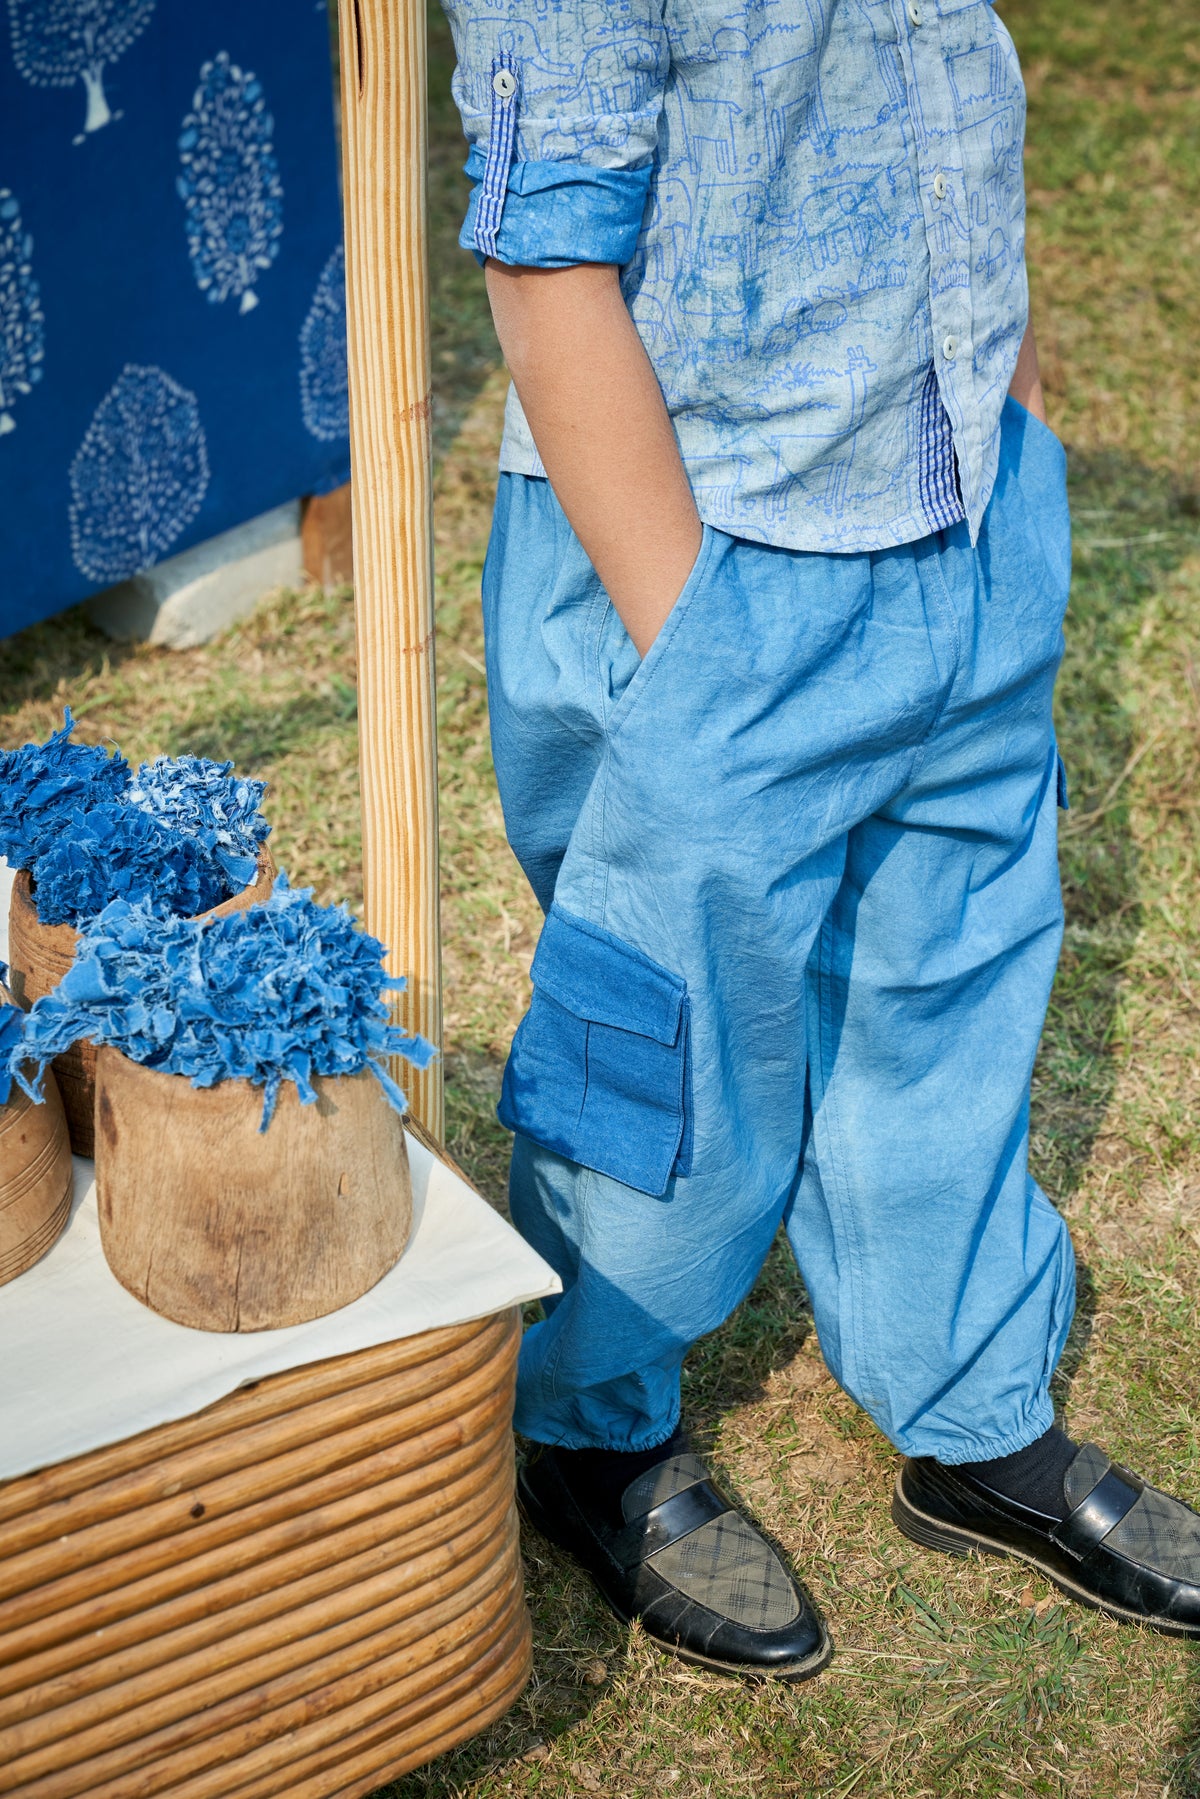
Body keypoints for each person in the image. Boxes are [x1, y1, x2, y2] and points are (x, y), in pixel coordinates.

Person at [438, 0, 1200, 1679]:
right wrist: (691, 637)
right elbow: (548, 266)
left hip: (959, 513)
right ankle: (596, 1421)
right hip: (712, 550)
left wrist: (989, 382)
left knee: (947, 978)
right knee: (671, 1048)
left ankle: (969, 1402)